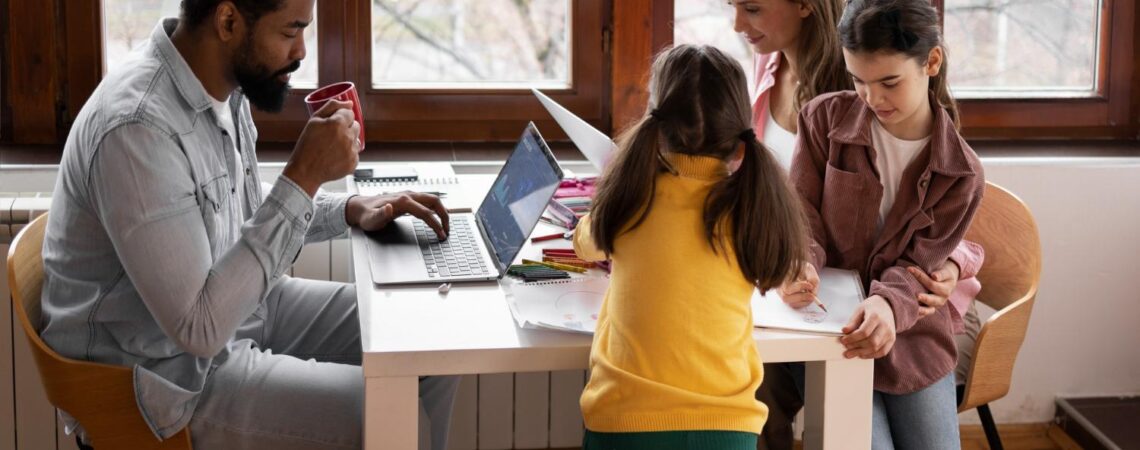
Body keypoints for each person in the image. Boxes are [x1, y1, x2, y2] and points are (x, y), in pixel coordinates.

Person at [39, 1, 458, 449]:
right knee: (390, 417)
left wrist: (350, 208)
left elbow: (247, 217)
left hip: (234, 313)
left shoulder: (223, 89)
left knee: (427, 340)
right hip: (168, 380)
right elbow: (200, 328)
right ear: (228, 21)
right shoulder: (137, 128)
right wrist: (304, 176)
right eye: (290, 32)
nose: (301, 51)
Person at [730, 2, 985, 447]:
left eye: (889, 82)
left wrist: (887, 306)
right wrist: (799, 263)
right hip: (829, 328)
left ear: (932, 62)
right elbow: (803, 215)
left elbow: (921, 262)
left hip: (912, 333)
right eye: (858, 81)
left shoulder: (961, 172)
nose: (872, 99)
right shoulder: (823, 119)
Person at [572, 44, 808, 450]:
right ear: (739, 142)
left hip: (624, 422)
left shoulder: (631, 200)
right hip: (728, 429)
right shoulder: (753, 208)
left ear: (655, 130)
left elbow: (585, 244)